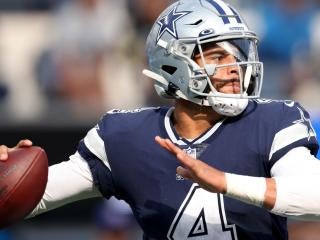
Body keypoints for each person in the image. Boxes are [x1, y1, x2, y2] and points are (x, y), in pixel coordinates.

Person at [1, 0, 320, 239]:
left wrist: (224, 182)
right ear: (173, 66)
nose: (234, 68)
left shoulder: (274, 120)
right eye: (218, 57)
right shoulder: (125, 136)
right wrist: (5, 173)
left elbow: (314, 197)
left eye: (238, 57)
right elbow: (28, 197)